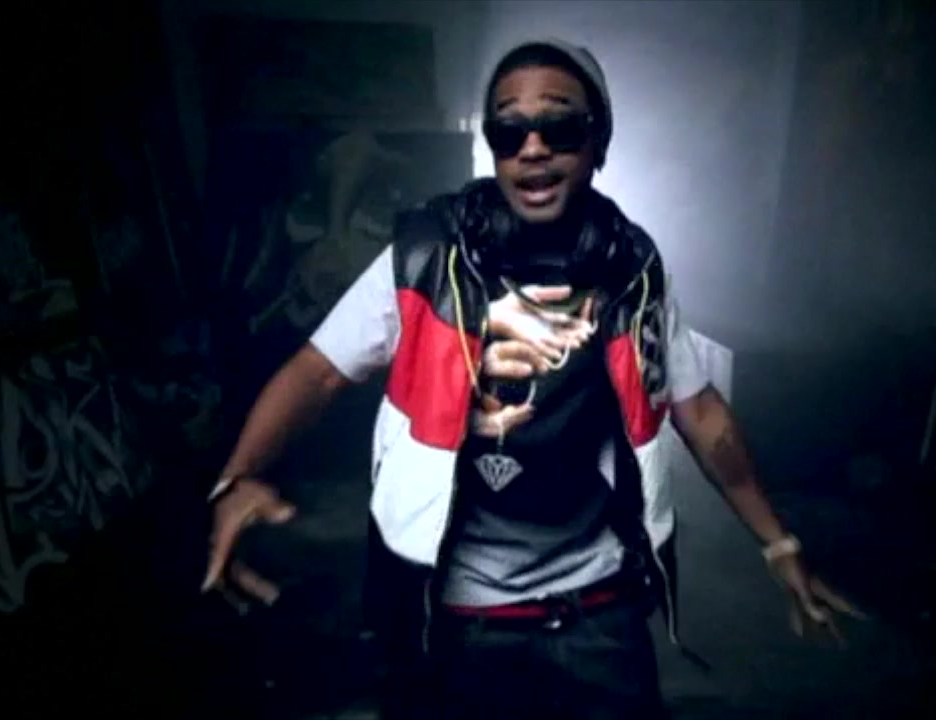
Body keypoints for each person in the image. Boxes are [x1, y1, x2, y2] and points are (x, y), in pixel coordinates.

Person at [202, 38, 858, 720]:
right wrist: (238, 476)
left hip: (598, 615)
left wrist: (778, 542)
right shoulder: (422, 257)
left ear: (599, 141)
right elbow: (317, 372)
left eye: (560, 126)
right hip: (451, 623)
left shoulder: (634, 270)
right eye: (509, 130)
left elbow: (699, 409)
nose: (533, 147)